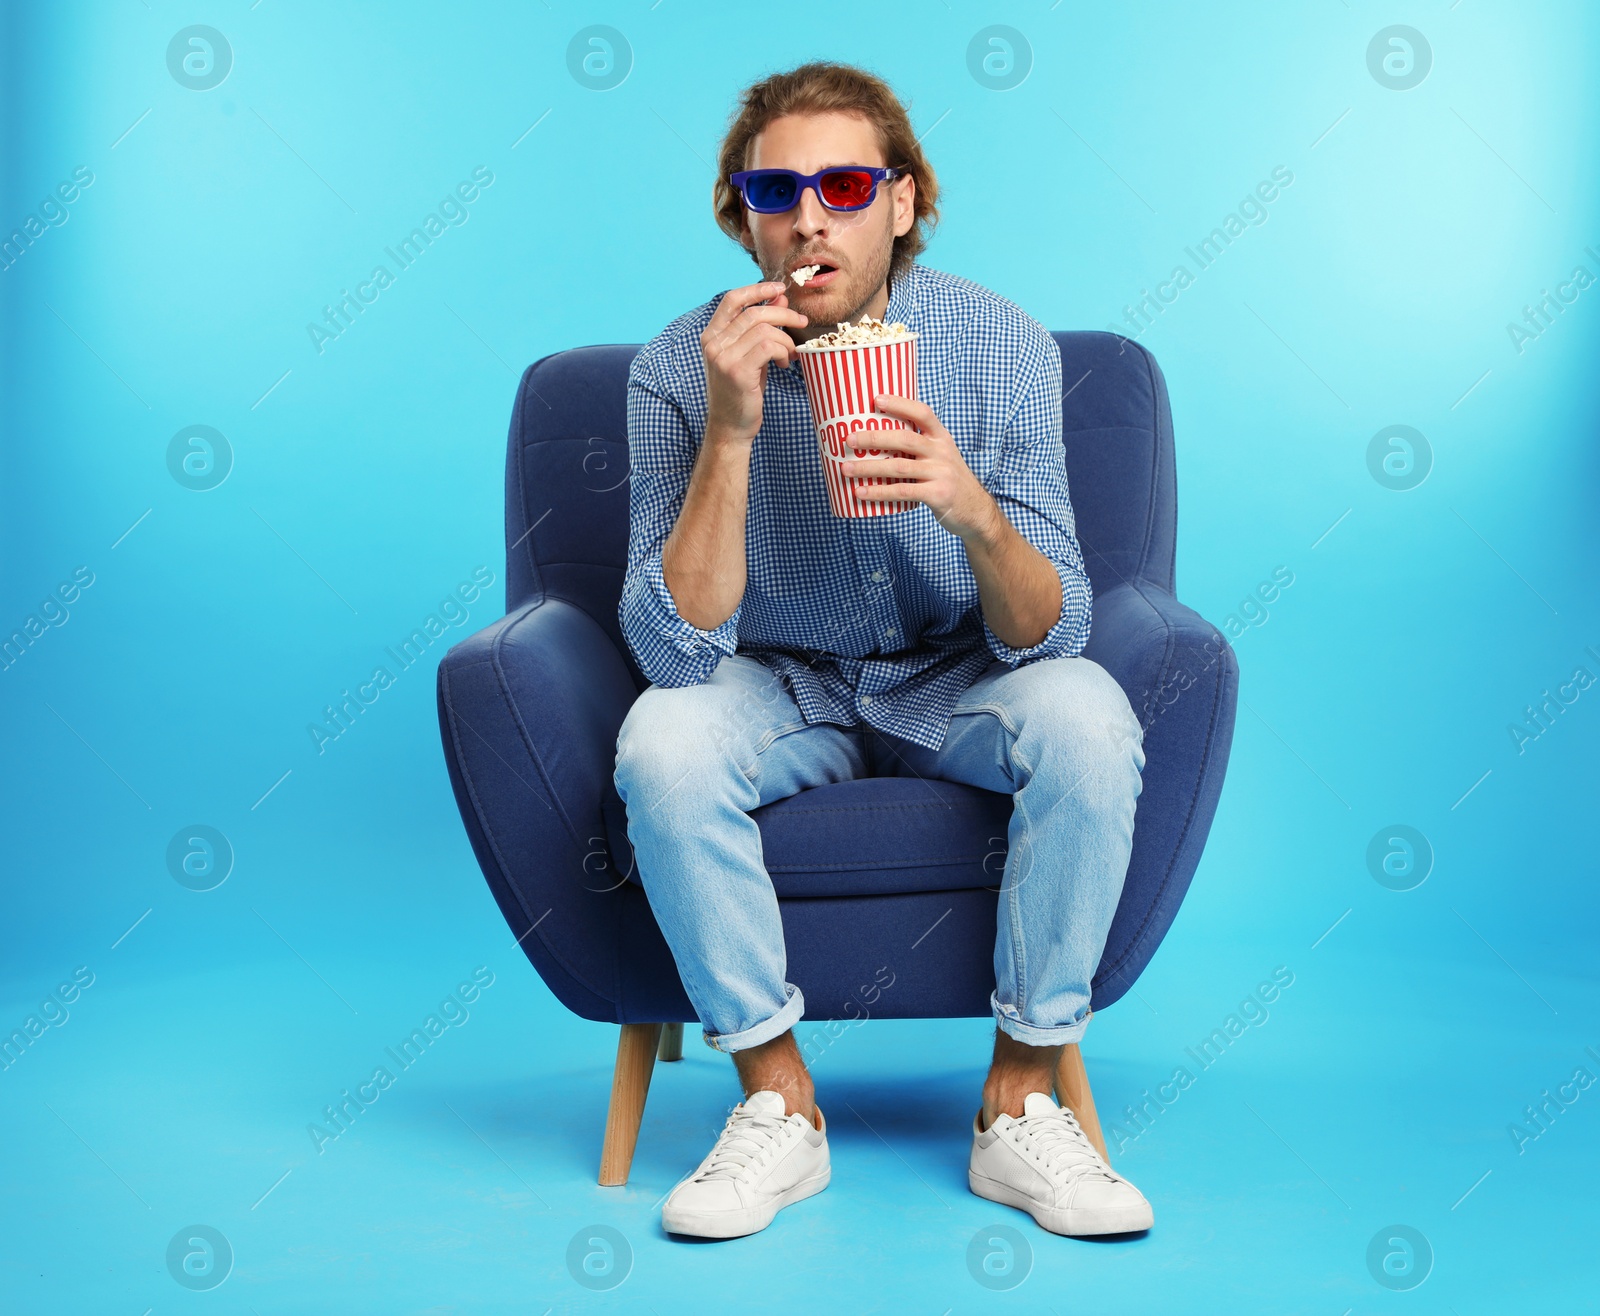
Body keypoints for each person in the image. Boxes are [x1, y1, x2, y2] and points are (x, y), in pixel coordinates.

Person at [613, 60, 1152, 1241]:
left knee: (1087, 711)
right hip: (779, 683)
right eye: (777, 188)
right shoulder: (677, 366)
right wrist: (733, 429)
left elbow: (1049, 628)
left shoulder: (1000, 342)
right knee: (662, 740)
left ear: (901, 201)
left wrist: (967, 506)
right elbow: (673, 647)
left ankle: (1019, 1098)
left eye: (846, 184)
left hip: (957, 672)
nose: (811, 216)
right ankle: (775, 1103)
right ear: (739, 211)